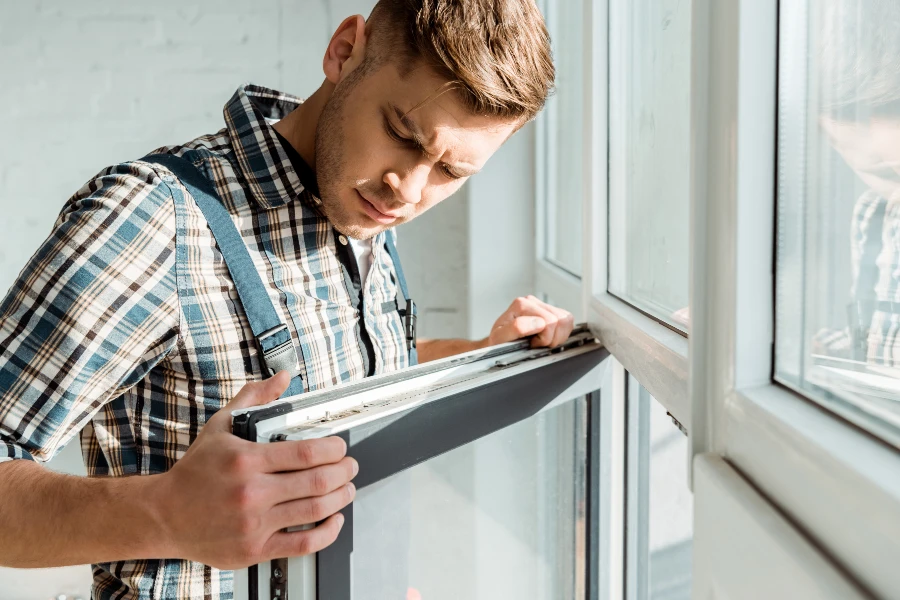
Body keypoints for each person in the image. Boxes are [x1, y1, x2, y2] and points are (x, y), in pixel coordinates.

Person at [0, 1, 573, 597]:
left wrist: (480, 353)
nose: (409, 188)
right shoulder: (153, 220)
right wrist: (165, 512)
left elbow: (338, 372)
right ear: (344, 51)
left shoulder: (367, 209)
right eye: (402, 132)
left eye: (452, 172)